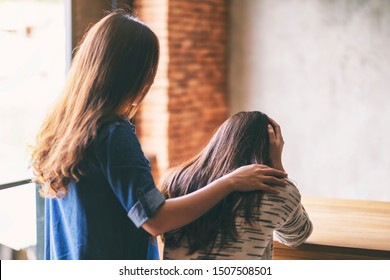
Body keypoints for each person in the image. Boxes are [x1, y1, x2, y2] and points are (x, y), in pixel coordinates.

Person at [30, 11, 288, 260]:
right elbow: (156, 219)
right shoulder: (112, 134)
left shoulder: (62, 129)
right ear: (132, 75)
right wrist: (230, 181)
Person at [161, 111, 313, 260]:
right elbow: (298, 235)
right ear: (272, 148)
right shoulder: (277, 192)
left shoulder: (175, 180)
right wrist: (277, 166)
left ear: (220, 140)